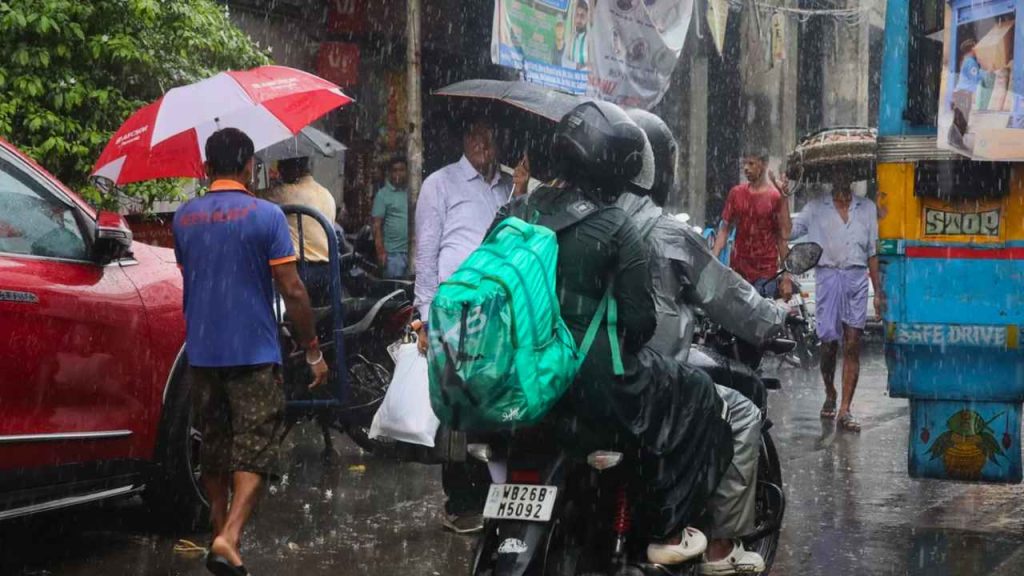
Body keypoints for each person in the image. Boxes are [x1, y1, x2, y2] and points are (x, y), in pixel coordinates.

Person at [499, 101, 734, 565]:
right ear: (612, 170)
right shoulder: (615, 226)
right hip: (590, 381)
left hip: (517, 372)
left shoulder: (516, 210)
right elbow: (641, 322)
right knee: (701, 394)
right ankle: (665, 529)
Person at [617, 109, 788, 574]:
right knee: (742, 412)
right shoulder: (663, 231)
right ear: (658, 168)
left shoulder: (582, 218)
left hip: (581, 374)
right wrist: (776, 320)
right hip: (648, 378)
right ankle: (720, 549)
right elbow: (726, 294)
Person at [173, 128, 328, 576]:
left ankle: (220, 538)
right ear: (248, 167)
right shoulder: (266, 217)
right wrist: (313, 349)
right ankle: (230, 536)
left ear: (205, 169)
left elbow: (194, 274)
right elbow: (294, 290)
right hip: (253, 351)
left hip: (202, 351)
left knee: (215, 448)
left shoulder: (183, 218)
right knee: (256, 449)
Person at [413, 117, 528, 534]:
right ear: (464, 138)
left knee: (499, 401)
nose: (486, 143)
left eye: (492, 135)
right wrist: (424, 316)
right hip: (456, 312)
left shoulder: (509, 183)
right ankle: (461, 499)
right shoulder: (440, 184)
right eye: (478, 134)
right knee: (458, 407)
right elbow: (425, 254)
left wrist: (521, 188)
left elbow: (514, 232)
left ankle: (499, 495)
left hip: (502, 310)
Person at [790, 172, 884, 432]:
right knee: (829, 345)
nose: (842, 180)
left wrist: (878, 293)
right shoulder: (815, 208)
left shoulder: (866, 208)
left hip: (856, 277)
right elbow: (787, 231)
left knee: (853, 344)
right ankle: (830, 390)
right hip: (827, 277)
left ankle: (845, 409)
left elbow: (872, 252)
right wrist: (781, 196)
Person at [712, 151, 793, 302]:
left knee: (758, 317)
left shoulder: (774, 197)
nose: (746, 168)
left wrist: (786, 277)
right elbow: (724, 229)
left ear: (763, 165)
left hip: (765, 273)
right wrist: (712, 258)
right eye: (744, 164)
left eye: (751, 164)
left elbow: (783, 237)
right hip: (739, 271)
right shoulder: (736, 194)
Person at [266, 156, 338, 307]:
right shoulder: (327, 194)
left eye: (282, 170)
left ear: (293, 169)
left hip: (300, 271)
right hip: (328, 271)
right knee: (319, 320)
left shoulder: (285, 192)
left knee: (288, 318)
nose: (281, 174)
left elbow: (254, 203)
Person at [371, 156, 410, 278]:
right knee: (394, 293)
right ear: (390, 173)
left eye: (401, 170)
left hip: (412, 253)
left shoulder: (412, 192)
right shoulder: (383, 195)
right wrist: (381, 252)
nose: (398, 174)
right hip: (393, 256)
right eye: (395, 170)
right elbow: (376, 226)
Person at [566, 0, 589, 69]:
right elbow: (563, 60)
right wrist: (576, 66)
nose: (579, 19)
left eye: (582, 15)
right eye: (577, 15)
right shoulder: (569, 38)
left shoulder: (591, 40)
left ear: (587, 17)